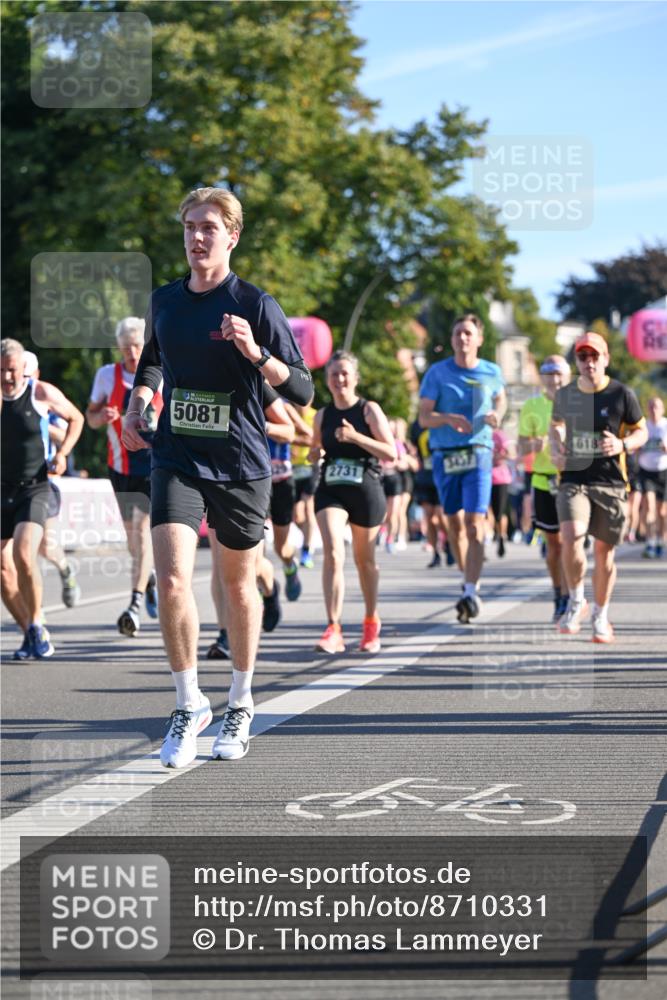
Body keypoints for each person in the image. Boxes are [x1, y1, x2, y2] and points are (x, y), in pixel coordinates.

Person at [122, 186, 313, 767]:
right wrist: (140, 401)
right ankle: (187, 703)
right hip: (176, 454)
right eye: (189, 227)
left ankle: (240, 699)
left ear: (232, 235)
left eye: (209, 227)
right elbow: (155, 356)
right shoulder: (165, 300)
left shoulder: (256, 303)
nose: (197, 237)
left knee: (236, 586)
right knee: (174, 579)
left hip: (240, 464)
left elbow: (302, 390)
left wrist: (256, 352)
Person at [550, 332, 647, 643]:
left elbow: (641, 432)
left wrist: (622, 443)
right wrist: (556, 445)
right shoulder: (565, 395)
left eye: (595, 356)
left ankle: (601, 614)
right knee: (571, 535)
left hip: (610, 481)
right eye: (583, 357)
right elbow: (556, 425)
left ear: (606, 359)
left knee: (605, 552)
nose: (589, 362)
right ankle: (577, 599)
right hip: (574, 478)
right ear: (576, 361)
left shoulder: (621, 394)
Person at [418, 313, 506, 623]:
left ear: (479, 339)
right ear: (453, 339)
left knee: (474, 522)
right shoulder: (437, 373)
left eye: (468, 333)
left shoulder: (492, 371)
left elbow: (501, 402)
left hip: (479, 451)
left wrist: (497, 415)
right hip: (446, 454)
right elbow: (423, 418)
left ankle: (470, 590)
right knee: (453, 523)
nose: (463, 338)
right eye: (458, 334)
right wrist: (447, 419)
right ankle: (466, 577)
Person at [1, 338, 84, 658]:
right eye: (1, 371)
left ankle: (37, 622)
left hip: (34, 487)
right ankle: (30, 633)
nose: (7, 378)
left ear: (24, 369)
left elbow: (76, 418)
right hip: (1, 488)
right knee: (3, 570)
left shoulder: (40, 393)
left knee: (24, 553)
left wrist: (62, 454)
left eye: (12, 371)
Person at [309, 350, 395, 654]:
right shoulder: (322, 415)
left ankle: (371, 622)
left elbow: (390, 453)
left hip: (366, 489)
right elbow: (315, 449)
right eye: (334, 374)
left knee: (364, 561)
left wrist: (357, 437)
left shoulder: (368, 410)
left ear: (355, 378)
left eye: (345, 373)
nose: (339, 379)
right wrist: (313, 454)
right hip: (331, 488)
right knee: (332, 550)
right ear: (328, 380)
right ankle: (333, 628)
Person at [205, 383, 293, 659]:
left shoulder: (255, 381)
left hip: (251, 479)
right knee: (220, 563)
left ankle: (270, 588)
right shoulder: (197, 375)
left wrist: (258, 425)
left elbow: (288, 430)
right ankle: (225, 634)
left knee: (251, 565)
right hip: (210, 476)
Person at [87, 318, 162, 636]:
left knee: (143, 533)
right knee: (134, 542)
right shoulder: (107, 376)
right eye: (126, 346)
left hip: (154, 464)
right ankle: (149, 578)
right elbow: (90, 417)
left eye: (137, 345)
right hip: (120, 467)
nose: (132, 352)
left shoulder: (161, 374)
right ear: (118, 347)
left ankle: (134, 603)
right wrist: (100, 416)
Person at [22, 351, 81, 608]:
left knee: (46, 547)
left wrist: (43, 424)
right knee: (22, 552)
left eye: (25, 375)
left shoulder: (43, 397)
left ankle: (66, 569)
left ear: (35, 375)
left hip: (43, 482)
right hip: (12, 484)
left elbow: (69, 427)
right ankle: (36, 613)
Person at [518, 355, 571, 621]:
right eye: (548, 372)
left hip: (572, 479)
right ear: (542, 378)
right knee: (553, 543)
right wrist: (534, 445)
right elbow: (521, 447)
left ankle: (573, 594)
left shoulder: (579, 404)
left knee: (570, 540)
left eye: (558, 372)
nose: (554, 378)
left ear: (568, 376)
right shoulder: (532, 406)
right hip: (543, 478)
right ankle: (558, 593)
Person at [409, 417, 451, 568]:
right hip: (425, 476)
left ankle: (449, 543)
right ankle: (436, 553)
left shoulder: (444, 420)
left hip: (443, 475)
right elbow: (414, 448)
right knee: (429, 517)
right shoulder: (417, 424)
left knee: (441, 516)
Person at [637, 396, 667, 558]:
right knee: (649, 506)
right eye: (651, 407)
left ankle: (661, 541)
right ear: (647, 410)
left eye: (657, 407)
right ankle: (650, 542)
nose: (654, 410)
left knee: (662, 512)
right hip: (646, 470)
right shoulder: (643, 426)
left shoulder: (666, 426)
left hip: (663, 470)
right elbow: (634, 447)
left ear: (662, 409)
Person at [290, 401, 317, 568]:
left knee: (308, 508)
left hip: (310, 466)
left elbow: (315, 438)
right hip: (293, 467)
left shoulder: (314, 416)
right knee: (297, 516)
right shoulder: (289, 413)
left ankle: (306, 550)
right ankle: (310, 535)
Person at [489, 427, 514, 557]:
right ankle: (485, 537)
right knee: (482, 512)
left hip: (499, 478)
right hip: (482, 477)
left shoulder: (499, 435)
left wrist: (494, 458)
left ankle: (501, 535)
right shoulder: (477, 434)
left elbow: (510, 453)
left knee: (499, 512)